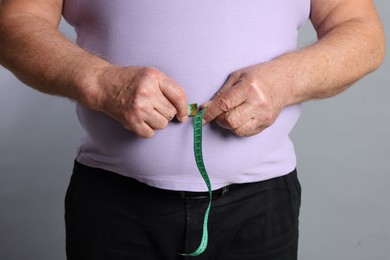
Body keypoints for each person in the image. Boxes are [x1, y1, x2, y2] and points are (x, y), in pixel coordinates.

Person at [0, 0, 385, 259]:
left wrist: (286, 80)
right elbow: (15, 22)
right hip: (113, 203)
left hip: (261, 207)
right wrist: (100, 81)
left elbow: (362, 31)